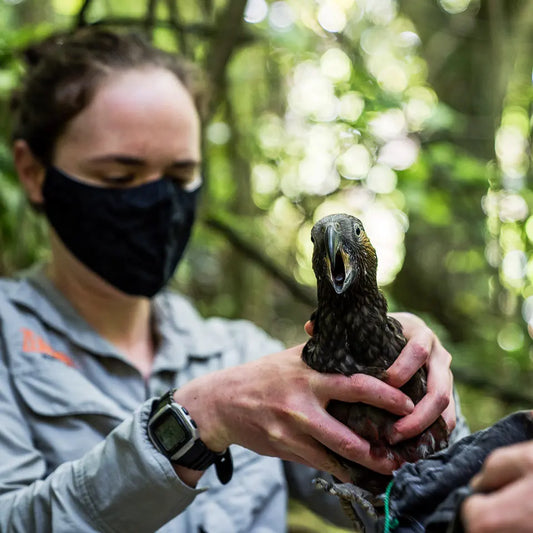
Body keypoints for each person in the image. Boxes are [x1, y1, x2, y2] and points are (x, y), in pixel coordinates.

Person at [0, 28, 465, 532]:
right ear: (32, 171)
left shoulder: (243, 354)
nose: (156, 202)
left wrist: (419, 401)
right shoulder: (8, 344)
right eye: (119, 177)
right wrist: (194, 422)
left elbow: (416, 510)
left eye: (180, 178)